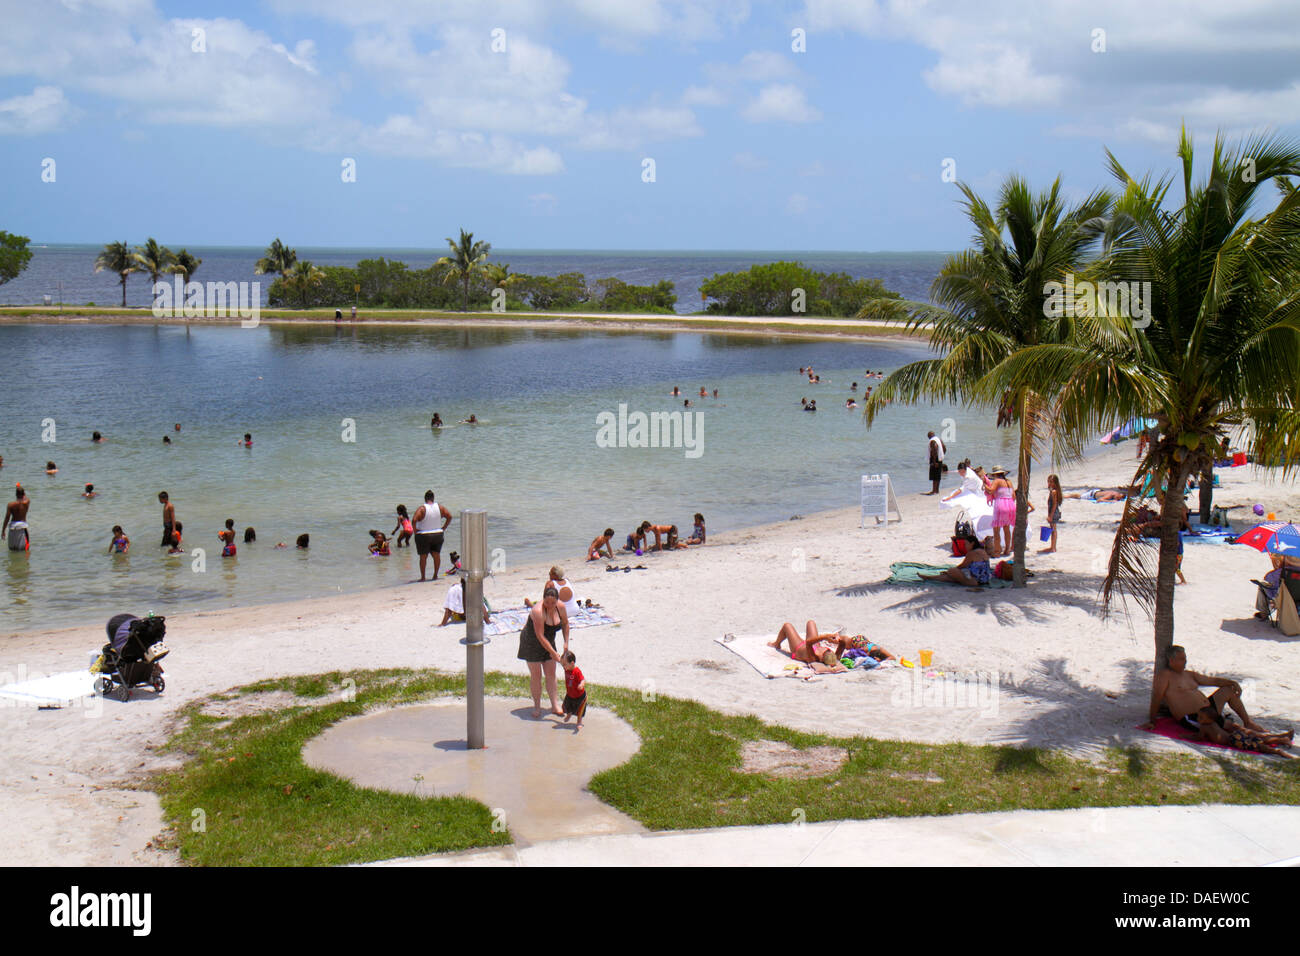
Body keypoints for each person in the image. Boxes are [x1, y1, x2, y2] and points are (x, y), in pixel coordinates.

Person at [1144, 645, 1294, 756]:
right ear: (1171, 660)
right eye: (1182, 659)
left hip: (1209, 711)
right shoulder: (1164, 676)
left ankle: (1252, 723)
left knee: (1228, 692)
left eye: (1185, 658)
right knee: (1235, 731)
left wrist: (1232, 683)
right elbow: (1157, 697)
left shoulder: (1189, 674)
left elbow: (1212, 681)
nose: (1185, 661)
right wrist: (1152, 720)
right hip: (1194, 717)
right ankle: (1277, 740)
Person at [517, 586, 569, 718]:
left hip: (549, 640)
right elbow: (540, 635)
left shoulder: (561, 607)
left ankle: (555, 705)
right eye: (547, 603)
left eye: (553, 603)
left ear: (557, 601)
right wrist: (554, 653)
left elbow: (565, 624)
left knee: (551, 673)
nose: (550, 606)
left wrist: (565, 642)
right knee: (536, 675)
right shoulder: (537, 611)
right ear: (543, 600)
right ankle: (537, 706)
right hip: (532, 641)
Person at [768, 621, 848, 674]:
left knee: (787, 626)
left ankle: (776, 644)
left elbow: (808, 643)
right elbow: (844, 643)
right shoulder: (834, 657)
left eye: (826, 650)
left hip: (798, 647)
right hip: (814, 643)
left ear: (822, 658)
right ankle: (777, 643)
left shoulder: (813, 658)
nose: (827, 648)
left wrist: (825, 637)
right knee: (811, 623)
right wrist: (838, 639)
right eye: (829, 649)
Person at [920, 536, 995, 586]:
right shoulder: (982, 551)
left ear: (972, 543)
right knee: (951, 578)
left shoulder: (972, 553)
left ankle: (930, 578)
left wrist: (950, 571)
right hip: (986, 579)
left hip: (975, 581)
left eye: (966, 544)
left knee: (952, 571)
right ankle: (930, 578)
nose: (965, 546)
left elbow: (962, 566)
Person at [412, 490, 451, 580]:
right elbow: (449, 516)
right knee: (436, 554)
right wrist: (443, 528)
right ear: (433, 498)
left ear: (425, 499)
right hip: (437, 534)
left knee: (423, 556)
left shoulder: (422, 508)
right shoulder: (440, 507)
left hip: (424, 535)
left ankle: (423, 577)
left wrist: (415, 531)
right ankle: (435, 575)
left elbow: (414, 520)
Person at [986, 467, 1015, 557]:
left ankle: (997, 551)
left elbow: (991, 491)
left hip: (1001, 504)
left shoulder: (997, 481)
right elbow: (1013, 496)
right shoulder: (1009, 482)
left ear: (995, 474)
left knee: (996, 529)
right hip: (1010, 504)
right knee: (1007, 529)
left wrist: (984, 485)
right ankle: (1007, 549)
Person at [561, 650, 587, 731]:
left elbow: (583, 679)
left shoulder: (577, 671)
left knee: (579, 710)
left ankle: (579, 722)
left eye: (564, 664)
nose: (563, 666)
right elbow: (560, 660)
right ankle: (569, 714)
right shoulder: (566, 669)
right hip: (570, 694)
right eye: (562, 665)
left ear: (572, 663)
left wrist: (581, 684)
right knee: (567, 706)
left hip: (579, 696)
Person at [4, 485, 31, 551]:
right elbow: (25, 498)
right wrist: (22, 491)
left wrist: (3, 531)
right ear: (23, 494)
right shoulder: (26, 503)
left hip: (12, 528)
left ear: (16, 494)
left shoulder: (10, 505)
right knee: (23, 550)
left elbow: (7, 518)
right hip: (22, 528)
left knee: (12, 550)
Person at [1041, 474, 1063, 554]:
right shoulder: (1054, 491)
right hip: (1054, 512)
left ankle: (1053, 547)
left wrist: (1050, 516)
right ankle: (1053, 547)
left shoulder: (1053, 492)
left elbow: (1054, 504)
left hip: (1053, 512)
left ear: (1055, 483)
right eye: (1048, 482)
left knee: (1053, 530)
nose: (1049, 483)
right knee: (1053, 529)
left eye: (1051, 482)